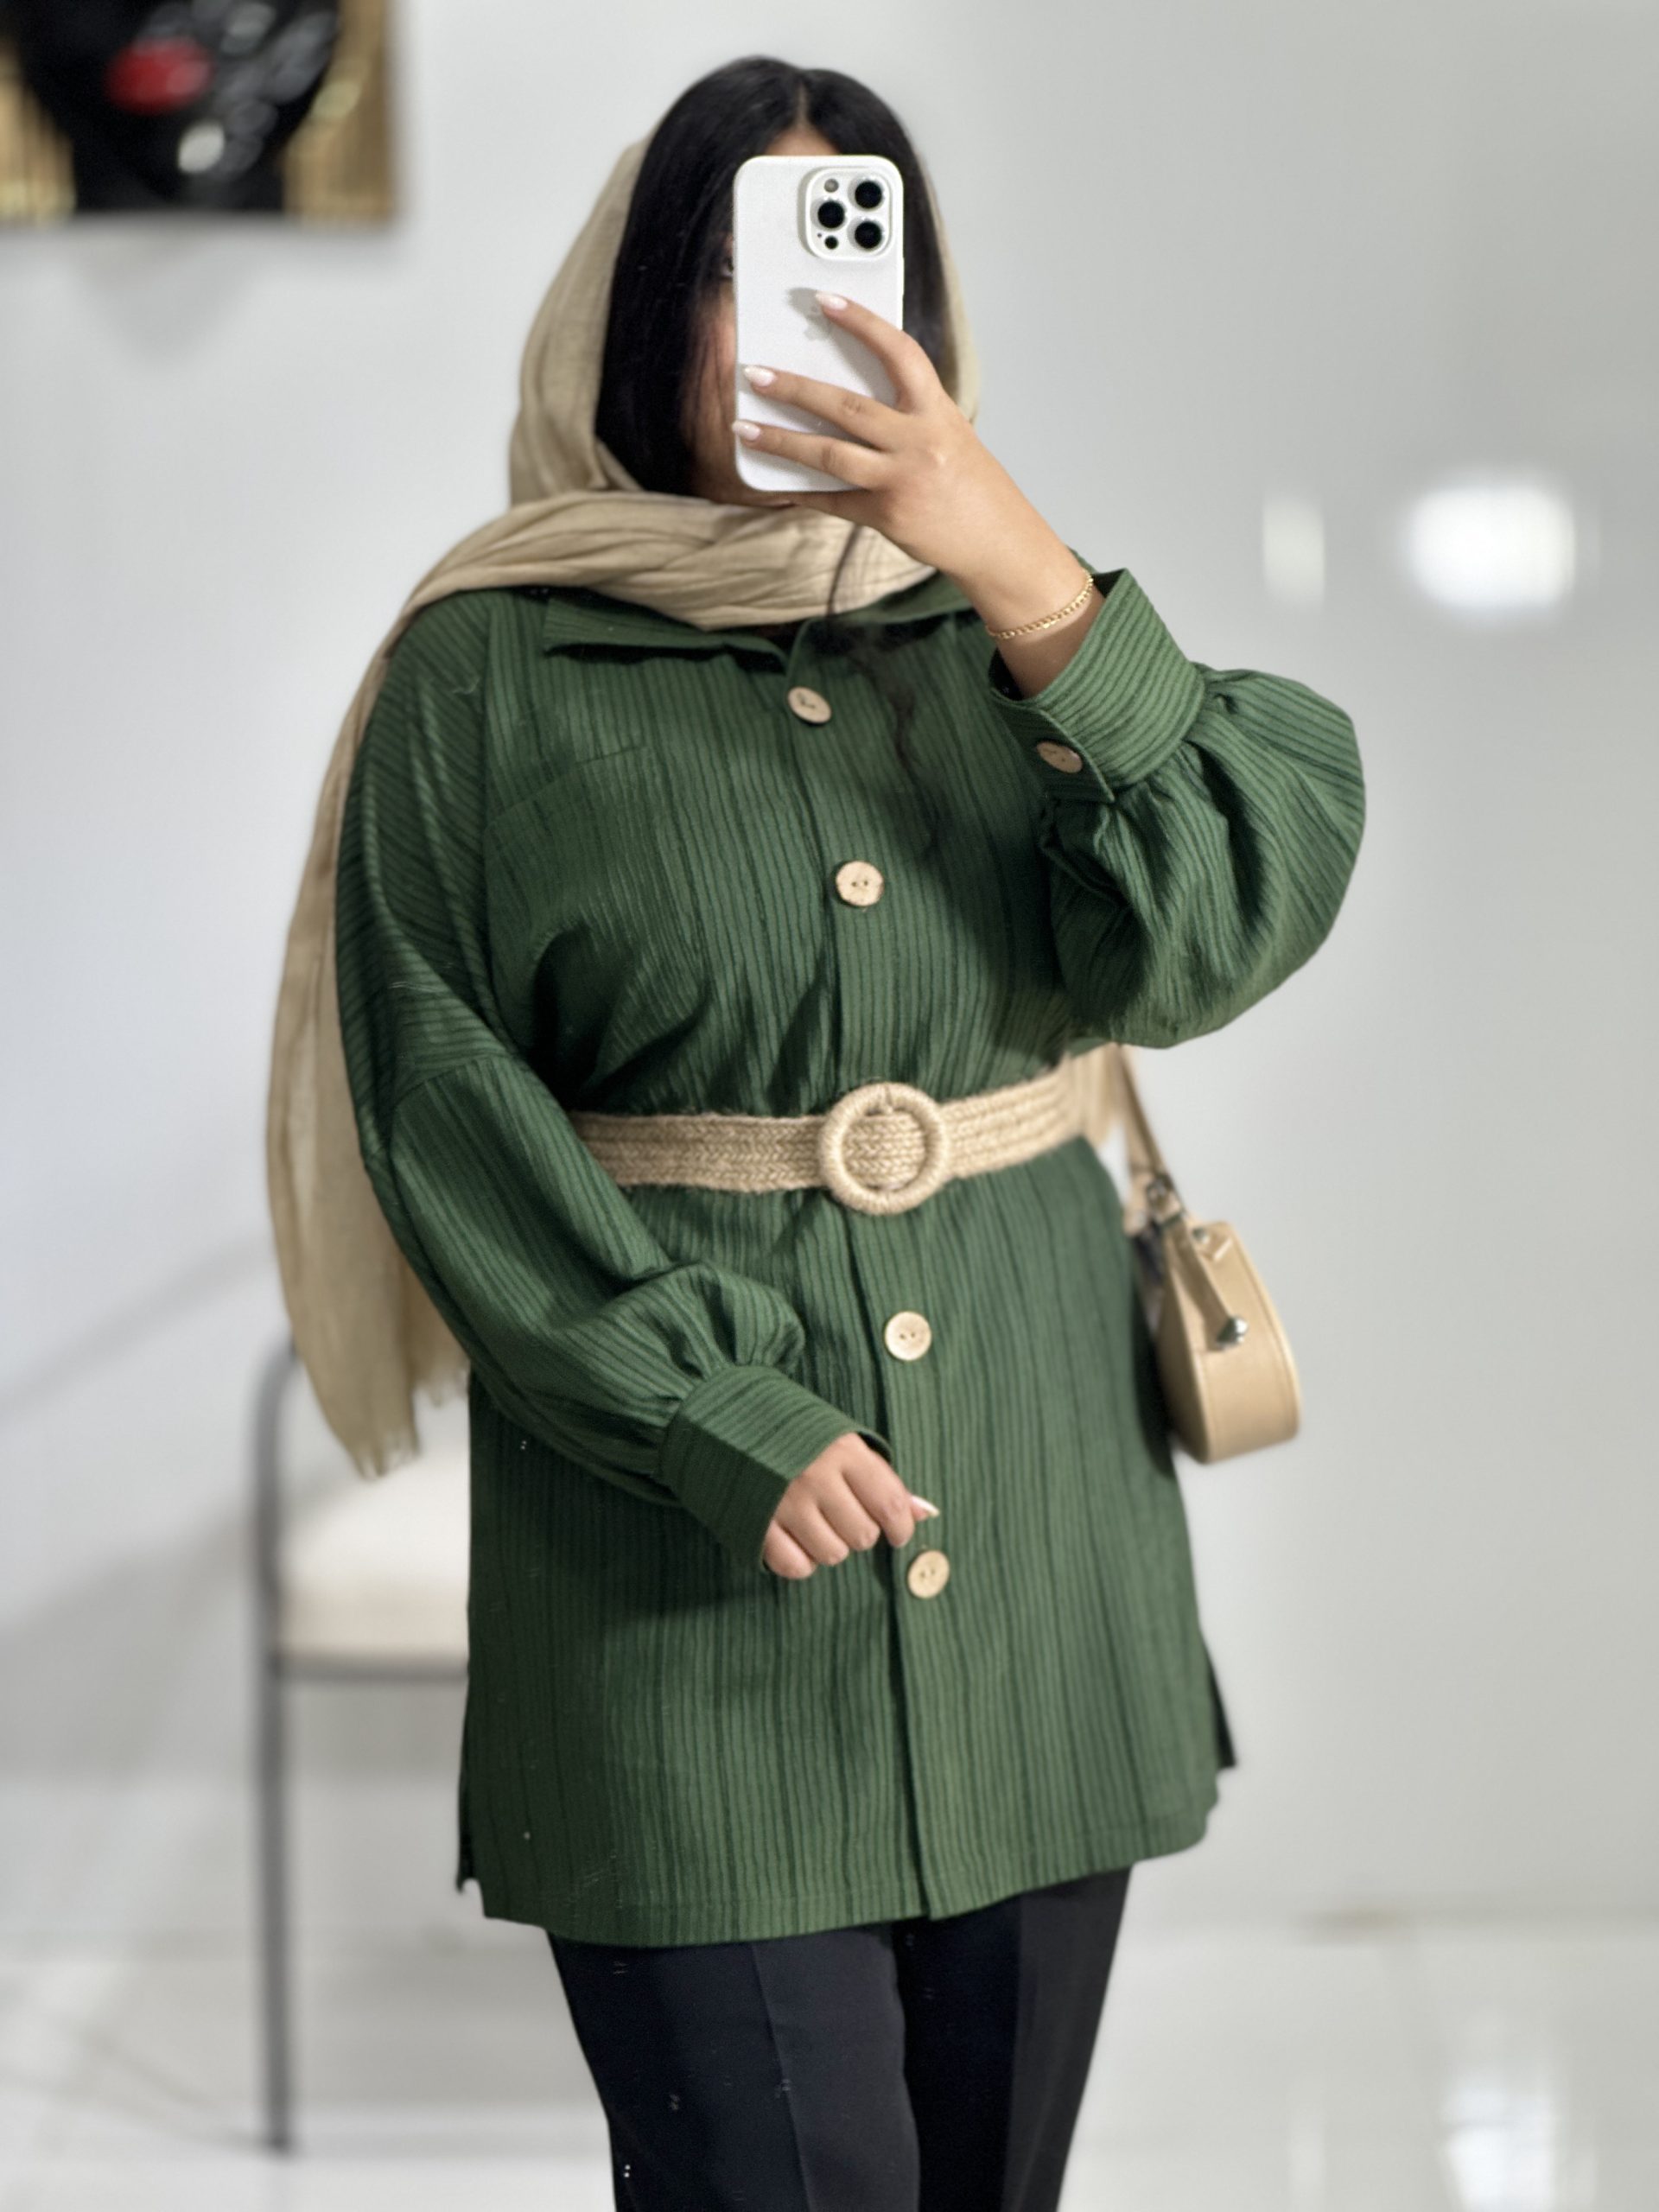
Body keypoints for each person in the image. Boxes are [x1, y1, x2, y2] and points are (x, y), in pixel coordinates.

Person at [265, 54, 1366, 2212]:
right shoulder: (485, 666)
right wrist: (710, 1409)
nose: (817, 317)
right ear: (637, 314)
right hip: (673, 1589)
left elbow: (1229, 914)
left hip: (1042, 1554)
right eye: (748, 264)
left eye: (865, 260)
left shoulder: (1018, 638)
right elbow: (442, 1094)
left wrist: (1024, 568)